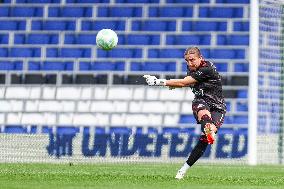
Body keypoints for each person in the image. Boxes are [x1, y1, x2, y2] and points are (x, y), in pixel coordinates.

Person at [143, 47, 226, 180]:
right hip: (201, 101)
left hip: (218, 107)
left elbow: (183, 82)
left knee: (205, 139)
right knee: (203, 112)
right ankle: (208, 127)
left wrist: (159, 82)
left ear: (201, 58)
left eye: (192, 60)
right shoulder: (193, 68)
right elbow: (187, 83)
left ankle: (184, 168)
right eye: (187, 61)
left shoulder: (207, 68)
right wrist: (172, 85)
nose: (189, 63)